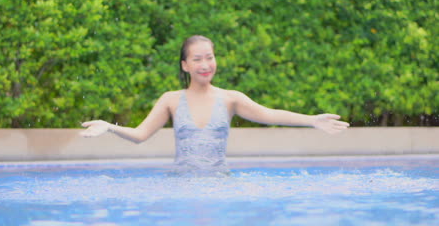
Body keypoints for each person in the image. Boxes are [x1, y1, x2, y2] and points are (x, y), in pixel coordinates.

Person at [81, 35, 349, 174]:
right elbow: (140, 135)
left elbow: (269, 114)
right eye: (197, 59)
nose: (205, 65)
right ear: (185, 65)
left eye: (209, 57)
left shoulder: (229, 98)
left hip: (221, 184)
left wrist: (312, 120)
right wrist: (109, 126)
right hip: (181, 186)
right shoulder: (171, 100)